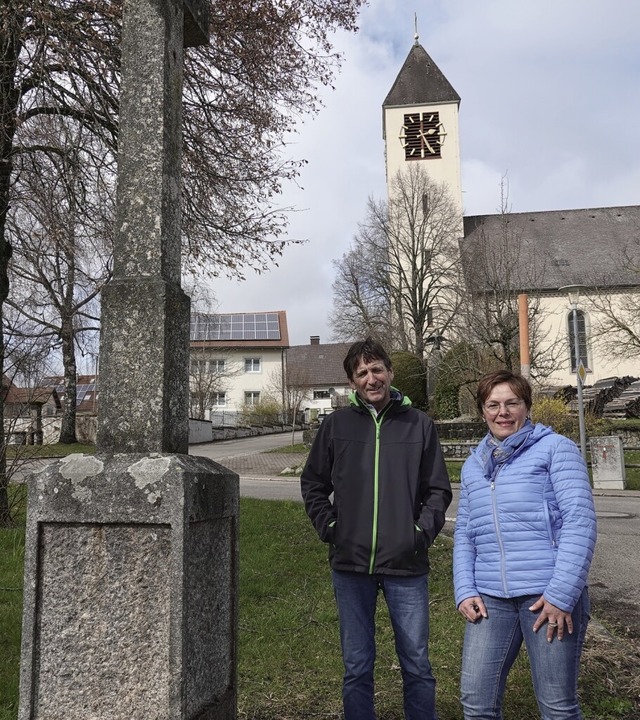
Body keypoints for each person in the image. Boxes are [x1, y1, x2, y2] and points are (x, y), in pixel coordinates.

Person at [301, 337, 452, 720]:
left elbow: (438, 490)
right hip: (350, 566)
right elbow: (313, 483)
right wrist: (331, 527)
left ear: (390, 372)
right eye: (361, 373)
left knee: (417, 663)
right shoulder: (335, 425)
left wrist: (418, 535)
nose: (371, 378)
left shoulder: (419, 424)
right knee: (357, 666)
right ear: (353, 382)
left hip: (406, 565)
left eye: (377, 369)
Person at [453, 369, 597, 720]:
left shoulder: (556, 450)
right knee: (476, 705)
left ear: (527, 407)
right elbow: (466, 531)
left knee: (556, 708)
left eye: (511, 403)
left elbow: (580, 523)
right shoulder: (474, 466)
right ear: (483, 412)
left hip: (546, 598)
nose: (502, 412)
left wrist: (562, 595)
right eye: (493, 404)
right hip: (490, 598)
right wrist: (464, 588)